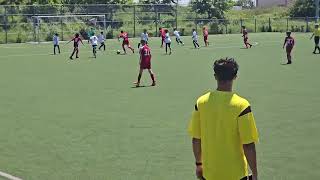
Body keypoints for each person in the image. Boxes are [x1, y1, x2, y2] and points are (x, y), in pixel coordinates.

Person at [188, 58, 259, 180]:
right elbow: (248, 144)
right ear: (235, 77)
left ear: (215, 76)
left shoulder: (201, 102)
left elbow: (196, 138)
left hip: (209, 174)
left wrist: (199, 164)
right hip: (236, 174)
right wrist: (255, 174)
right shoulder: (242, 105)